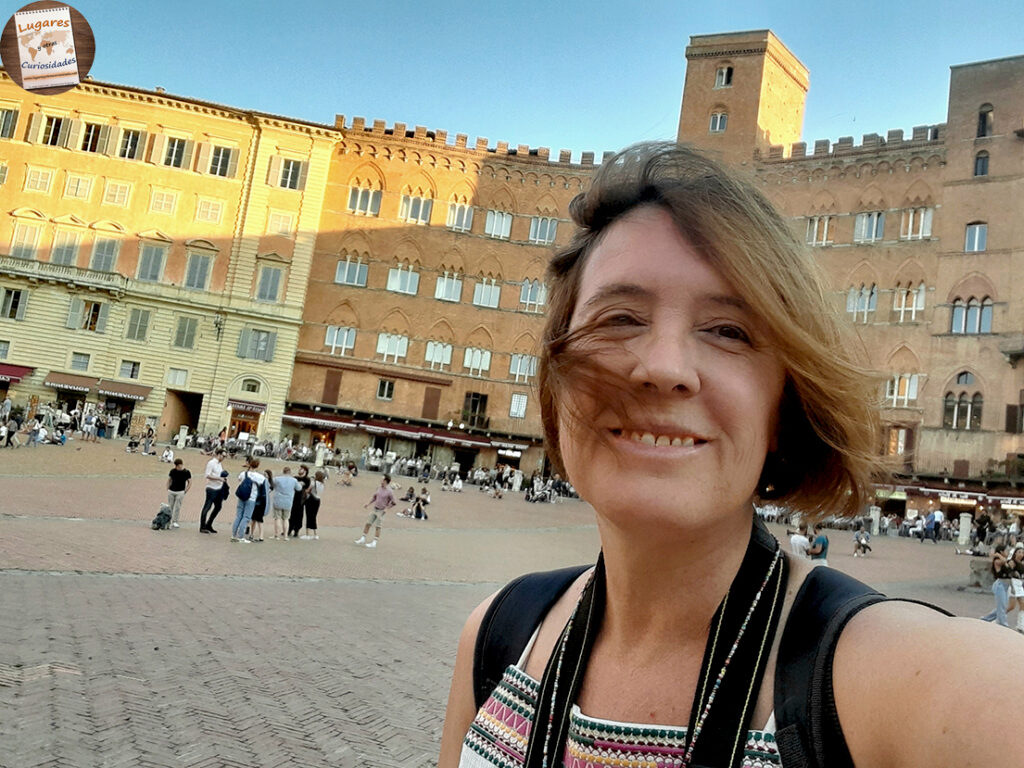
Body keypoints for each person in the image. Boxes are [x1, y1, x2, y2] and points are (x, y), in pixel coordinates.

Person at [438, 142, 1024, 768]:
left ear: (784, 406)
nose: (663, 368)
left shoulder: (894, 677)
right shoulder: (499, 638)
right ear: (557, 376)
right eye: (618, 318)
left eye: (728, 331)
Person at [231, 457, 266, 543]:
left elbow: (239, 479)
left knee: (238, 516)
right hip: (251, 498)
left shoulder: (243, 474)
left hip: (241, 496)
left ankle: (233, 535)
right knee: (246, 517)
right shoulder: (260, 477)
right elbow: (263, 484)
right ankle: (241, 536)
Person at [356, 474, 395, 549]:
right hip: (375, 508)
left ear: (386, 481)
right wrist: (368, 503)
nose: (381, 481)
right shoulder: (379, 488)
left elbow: (393, 502)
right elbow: (375, 497)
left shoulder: (390, 491)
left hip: (381, 510)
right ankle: (363, 538)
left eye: (382, 480)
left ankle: (374, 542)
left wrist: (387, 509)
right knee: (368, 523)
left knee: (378, 526)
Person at [199, 448, 226, 533]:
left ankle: (209, 524)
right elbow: (207, 475)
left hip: (219, 488)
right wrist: (219, 478)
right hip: (211, 488)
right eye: (223, 456)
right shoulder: (211, 463)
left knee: (218, 507)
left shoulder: (219, 464)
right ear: (219, 455)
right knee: (207, 507)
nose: (224, 458)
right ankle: (202, 526)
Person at [269, 465, 300, 540]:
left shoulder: (277, 479)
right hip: (288, 501)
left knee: (277, 518)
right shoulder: (294, 480)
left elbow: (271, 484)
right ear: (290, 472)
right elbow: (299, 488)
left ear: (283, 472)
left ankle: (276, 535)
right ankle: (286, 535)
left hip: (278, 500)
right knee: (286, 519)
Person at [165, 458, 191, 529]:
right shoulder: (173, 471)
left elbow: (190, 482)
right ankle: (168, 520)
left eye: (180, 465)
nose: (180, 466)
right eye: (178, 465)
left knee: (177, 507)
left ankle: (175, 521)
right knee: (170, 506)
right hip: (172, 491)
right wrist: (167, 487)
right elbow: (169, 479)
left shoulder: (186, 472)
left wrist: (185, 490)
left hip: (180, 491)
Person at [300, 471, 325, 539]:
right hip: (318, 500)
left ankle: (307, 534)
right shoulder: (322, 484)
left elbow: (308, 490)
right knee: (313, 516)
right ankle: (315, 534)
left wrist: (304, 490)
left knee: (308, 516)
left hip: (311, 500)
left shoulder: (314, 482)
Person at [288, 465, 310, 538]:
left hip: (301, 500)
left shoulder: (307, 479)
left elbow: (306, 488)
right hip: (293, 498)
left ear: (305, 471)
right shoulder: (295, 478)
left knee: (299, 515)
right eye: (300, 469)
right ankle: (289, 529)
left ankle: (296, 530)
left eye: (301, 469)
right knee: (292, 514)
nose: (300, 470)